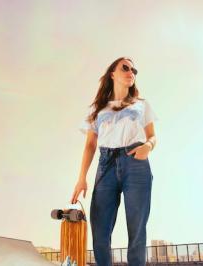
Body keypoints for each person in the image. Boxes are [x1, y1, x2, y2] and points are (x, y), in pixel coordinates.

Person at [70, 57, 158, 266]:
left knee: (136, 229)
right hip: (106, 164)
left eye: (134, 70)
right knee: (100, 229)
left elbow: (153, 136)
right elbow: (90, 145)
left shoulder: (141, 105)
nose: (131, 72)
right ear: (112, 74)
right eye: (125, 68)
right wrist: (81, 178)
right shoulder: (97, 109)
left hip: (135, 163)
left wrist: (148, 146)